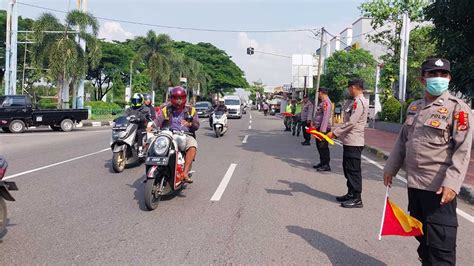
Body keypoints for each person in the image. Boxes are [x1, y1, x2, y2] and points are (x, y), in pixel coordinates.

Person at [383, 58, 472, 265]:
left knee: (441, 245)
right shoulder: (415, 107)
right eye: (433, 74)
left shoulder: (458, 109)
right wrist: (391, 167)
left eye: (443, 75)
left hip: (439, 189)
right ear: (423, 80)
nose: (438, 79)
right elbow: (402, 141)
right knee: (422, 239)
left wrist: (452, 183)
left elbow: (463, 150)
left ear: (449, 78)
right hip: (415, 185)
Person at [327, 78, 368, 208]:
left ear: (354, 87)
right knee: (348, 168)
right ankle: (350, 193)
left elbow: (351, 122)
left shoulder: (359, 102)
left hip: (354, 141)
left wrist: (335, 133)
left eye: (349, 88)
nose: (348, 90)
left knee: (353, 170)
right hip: (350, 141)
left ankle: (357, 198)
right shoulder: (355, 102)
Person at [154, 86, 200, 183]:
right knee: (153, 144)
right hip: (168, 134)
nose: (178, 101)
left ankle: (185, 173)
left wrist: (190, 124)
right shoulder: (166, 109)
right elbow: (158, 121)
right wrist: (151, 127)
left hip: (186, 135)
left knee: (192, 146)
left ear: (184, 98)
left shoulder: (191, 110)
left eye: (180, 98)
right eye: (175, 98)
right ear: (172, 98)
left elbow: (197, 125)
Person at [124, 93, 151, 157]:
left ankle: (140, 150)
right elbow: (125, 115)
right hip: (131, 126)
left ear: (141, 101)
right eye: (134, 100)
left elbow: (146, 116)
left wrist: (141, 118)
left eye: (137, 100)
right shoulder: (130, 109)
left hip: (141, 126)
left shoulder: (145, 109)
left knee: (139, 133)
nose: (136, 102)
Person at [312, 87, 332, 172]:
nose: (318, 95)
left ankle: (326, 165)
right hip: (319, 128)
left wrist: (322, 130)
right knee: (319, 146)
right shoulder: (323, 103)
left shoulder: (326, 103)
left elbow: (326, 117)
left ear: (321, 93)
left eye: (318, 93)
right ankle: (322, 162)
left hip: (323, 129)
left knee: (323, 146)